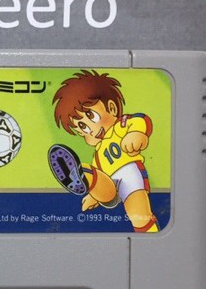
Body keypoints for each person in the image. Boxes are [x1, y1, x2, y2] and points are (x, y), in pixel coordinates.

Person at [48, 70, 158, 233]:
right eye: (82, 128)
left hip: (130, 176)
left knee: (138, 214)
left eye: (91, 116)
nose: (91, 129)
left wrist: (136, 134)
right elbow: (101, 176)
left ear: (112, 108)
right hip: (109, 184)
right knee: (95, 176)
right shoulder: (98, 154)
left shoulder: (120, 127)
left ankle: (149, 237)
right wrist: (94, 195)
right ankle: (83, 176)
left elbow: (140, 120)